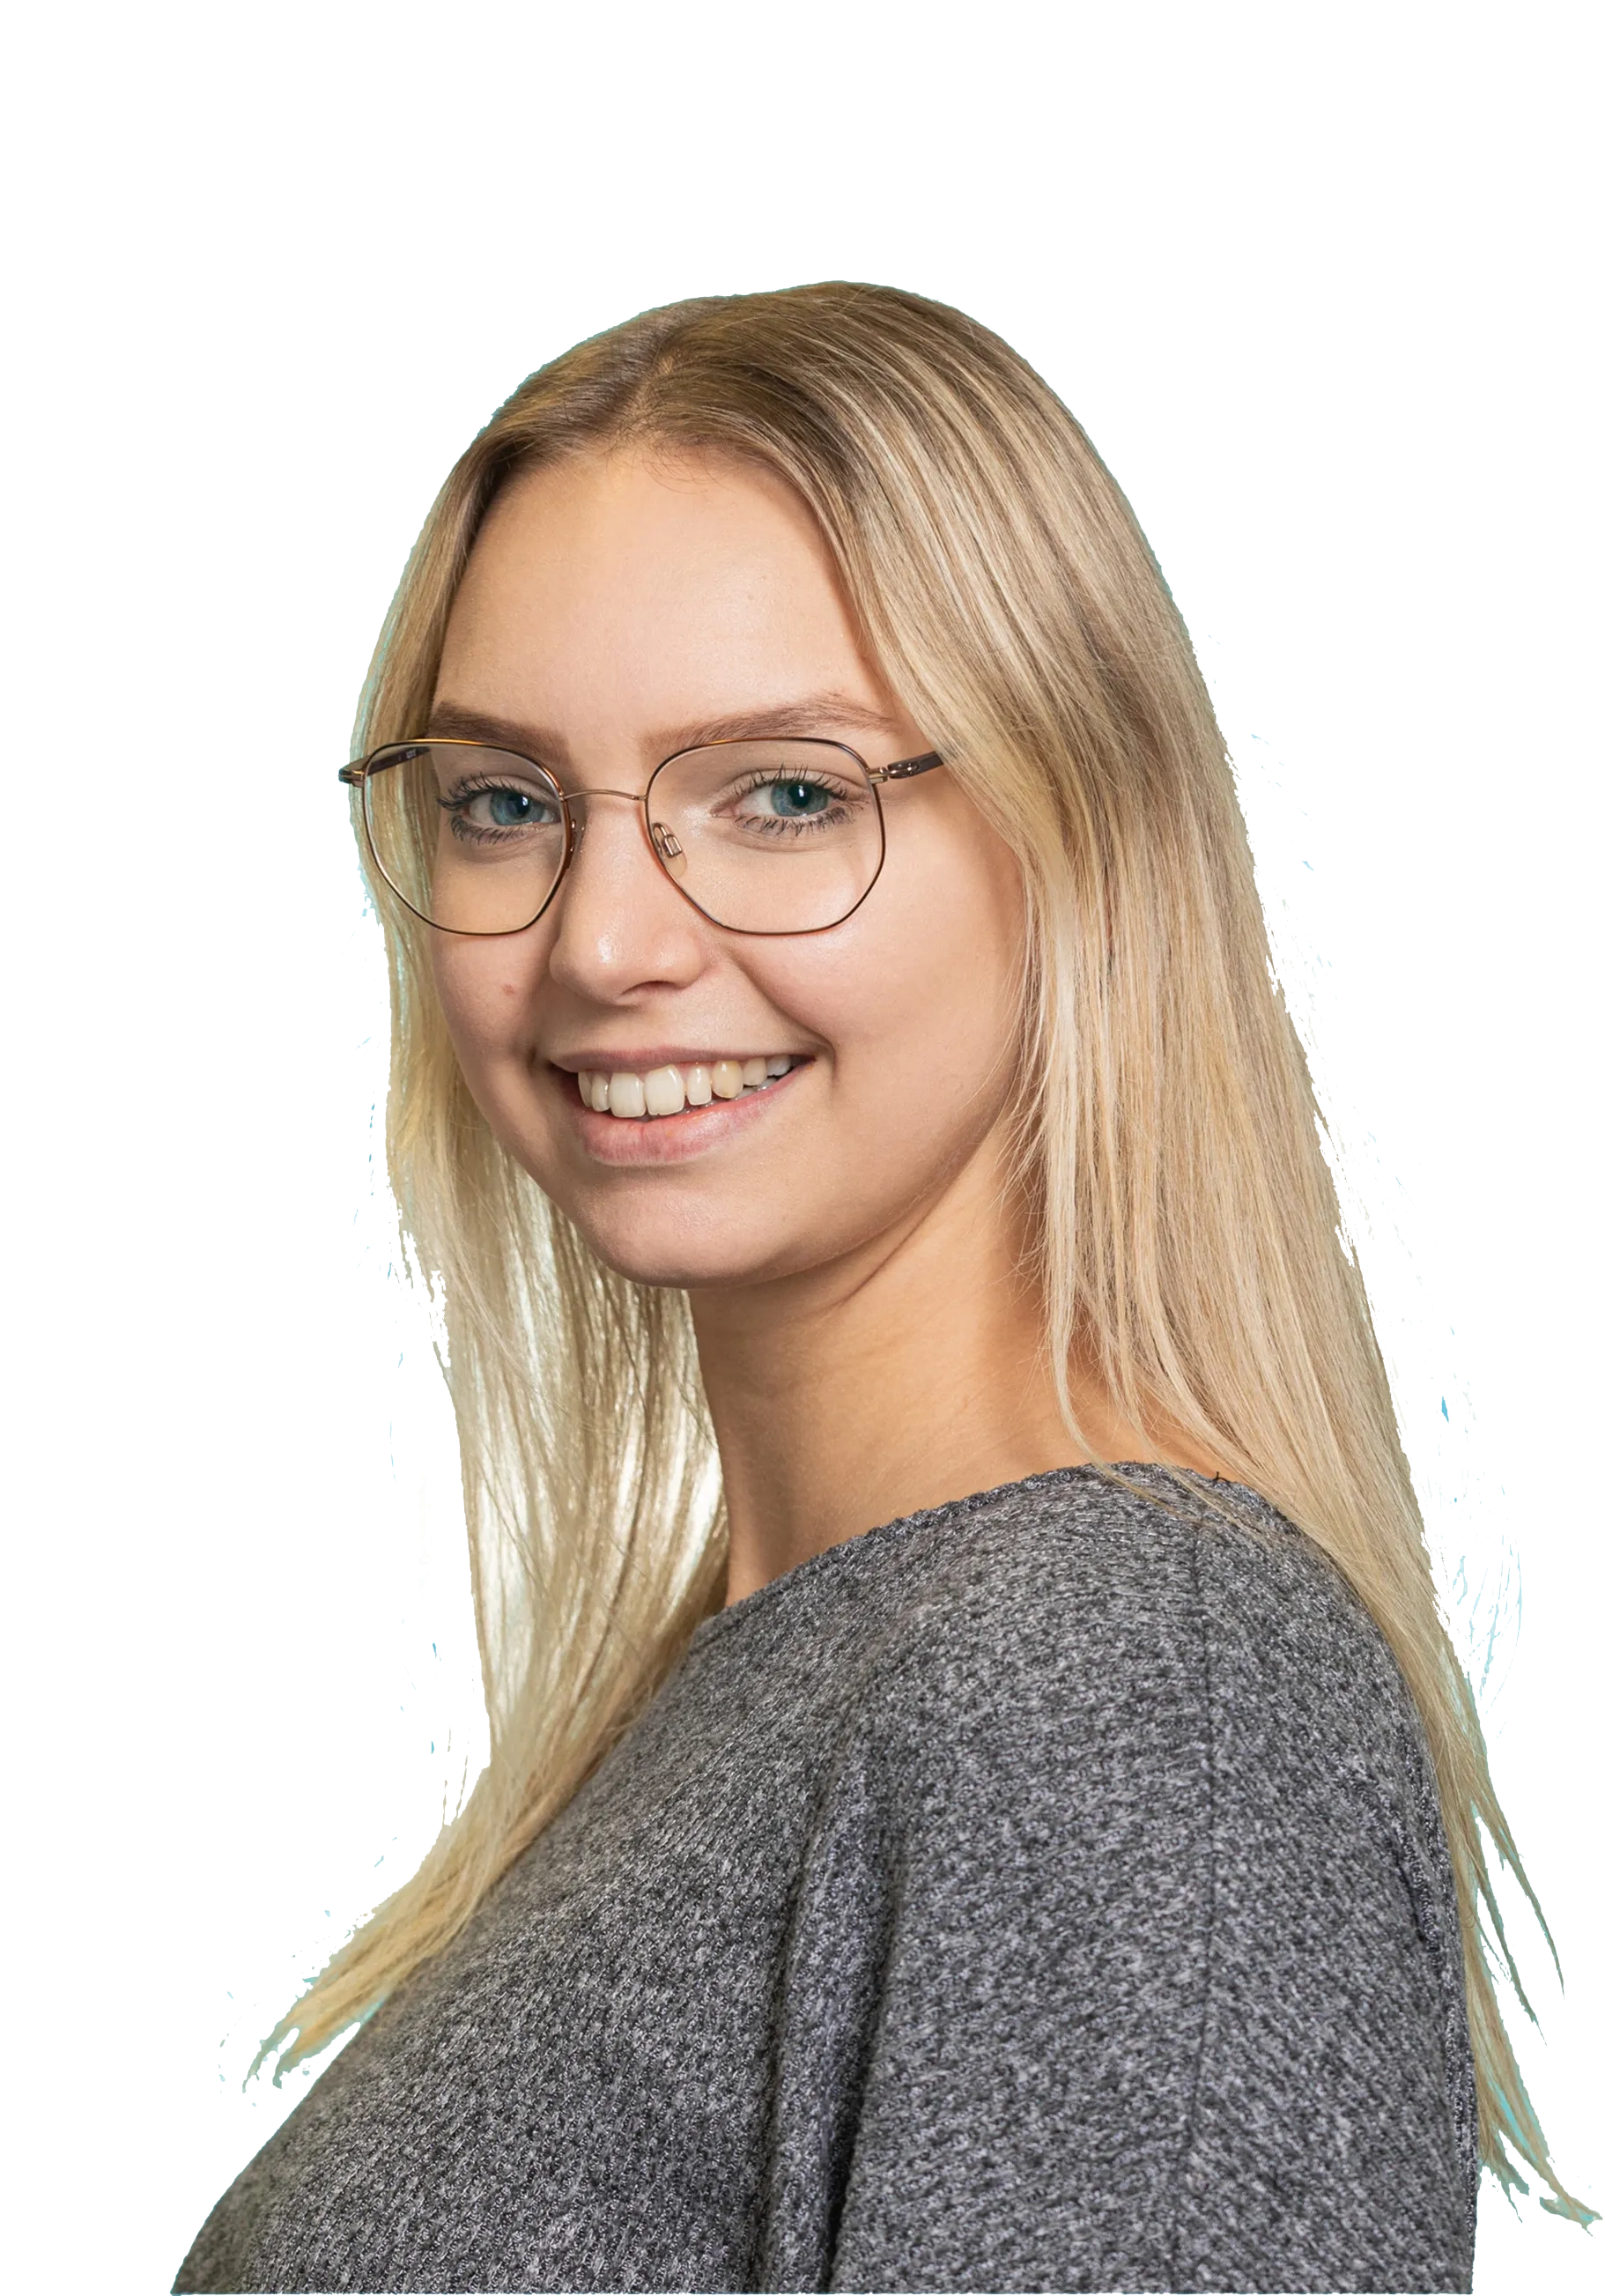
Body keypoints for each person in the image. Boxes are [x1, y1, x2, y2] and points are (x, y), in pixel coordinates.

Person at [172, 284, 1586, 2294]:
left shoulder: (1120, 1674)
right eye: (504, 802)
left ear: (1074, 833)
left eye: (783, 794)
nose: (601, 944)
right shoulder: (800, 1673)